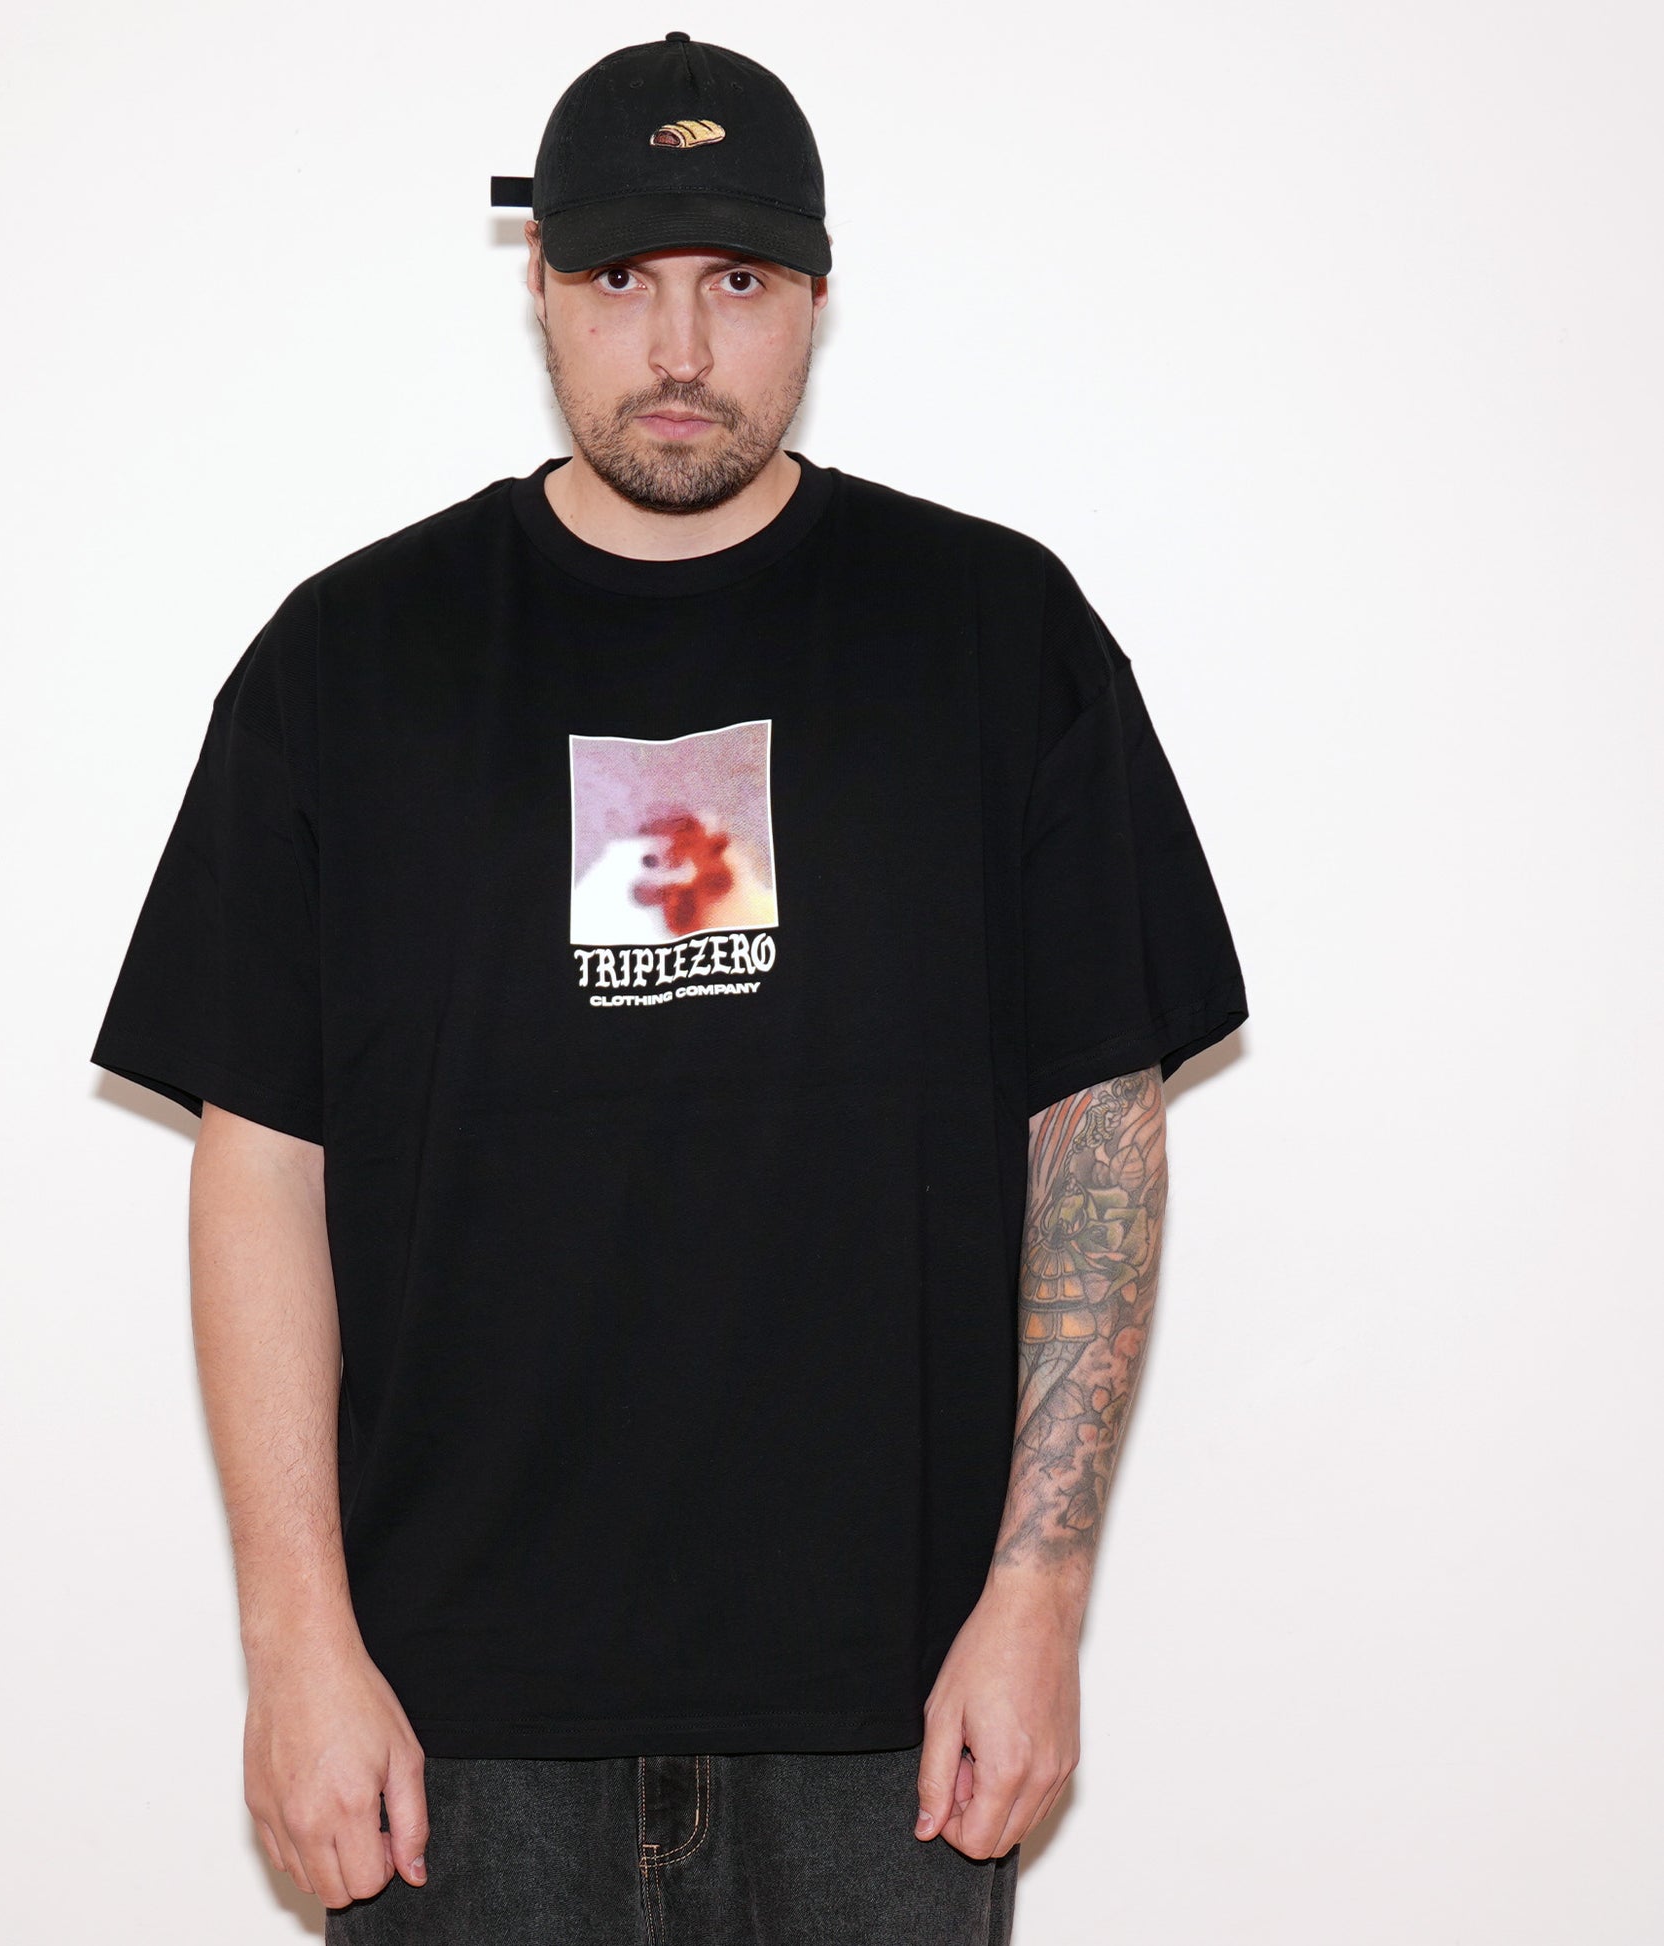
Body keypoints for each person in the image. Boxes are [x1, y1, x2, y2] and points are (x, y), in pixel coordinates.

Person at [90, 31, 1248, 1945]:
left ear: (816, 294)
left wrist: (1038, 1605)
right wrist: (295, 1647)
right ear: (542, 284)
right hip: (449, 1730)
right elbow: (259, 1160)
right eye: (621, 276)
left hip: (891, 1724)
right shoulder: (349, 662)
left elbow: (1095, 1129)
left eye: (740, 280)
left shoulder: (994, 636)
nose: (682, 346)